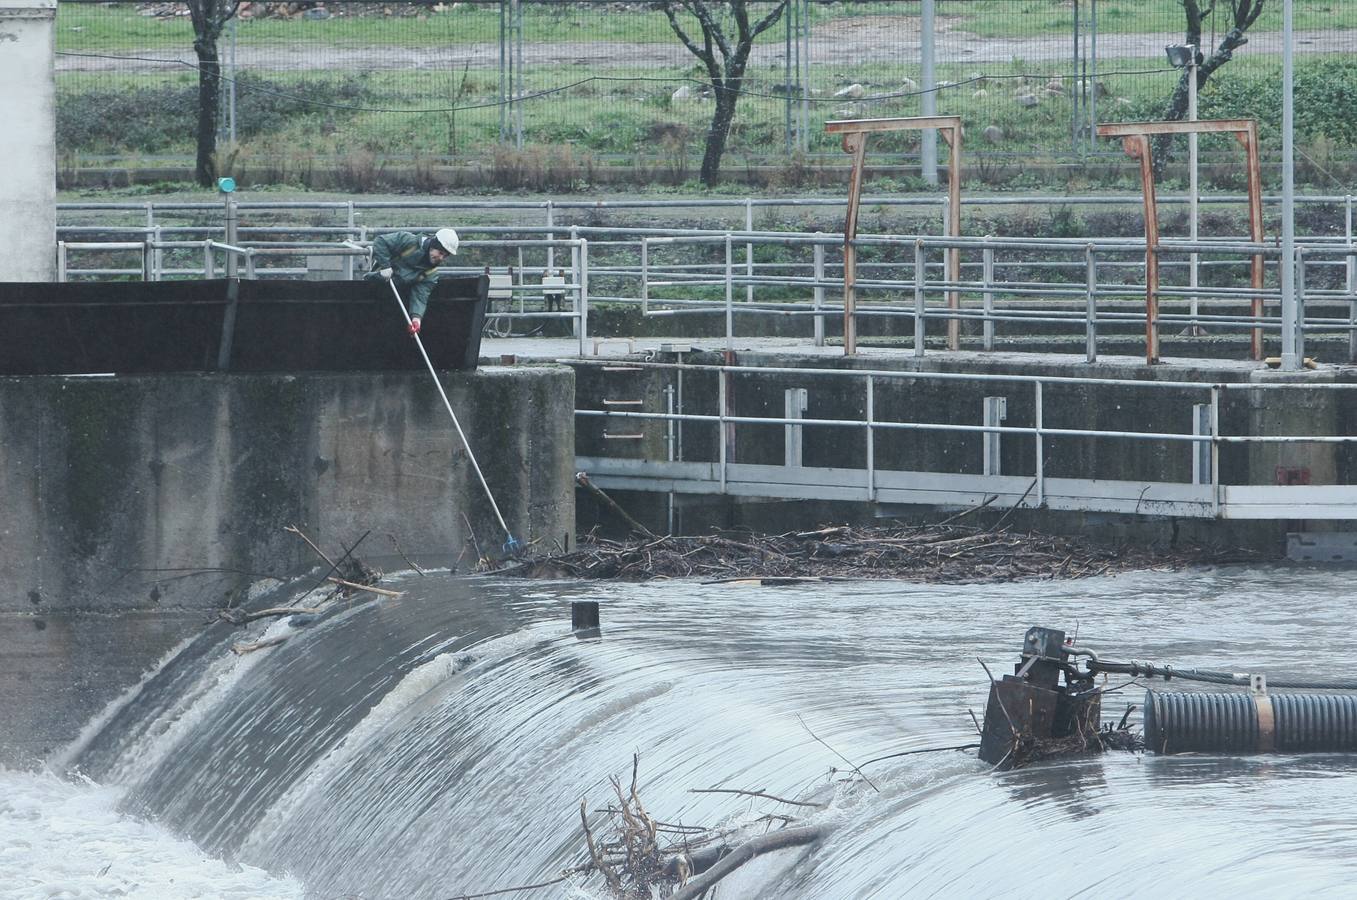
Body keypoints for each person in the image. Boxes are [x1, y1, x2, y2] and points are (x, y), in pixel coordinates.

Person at [366, 228, 459, 335]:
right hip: (376, 286)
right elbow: (381, 241)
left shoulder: (431, 273)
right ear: (433, 245)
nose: (441, 258)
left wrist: (416, 318)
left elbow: (420, 296)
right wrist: (385, 266)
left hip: (395, 301)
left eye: (445, 256)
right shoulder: (409, 241)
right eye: (440, 252)